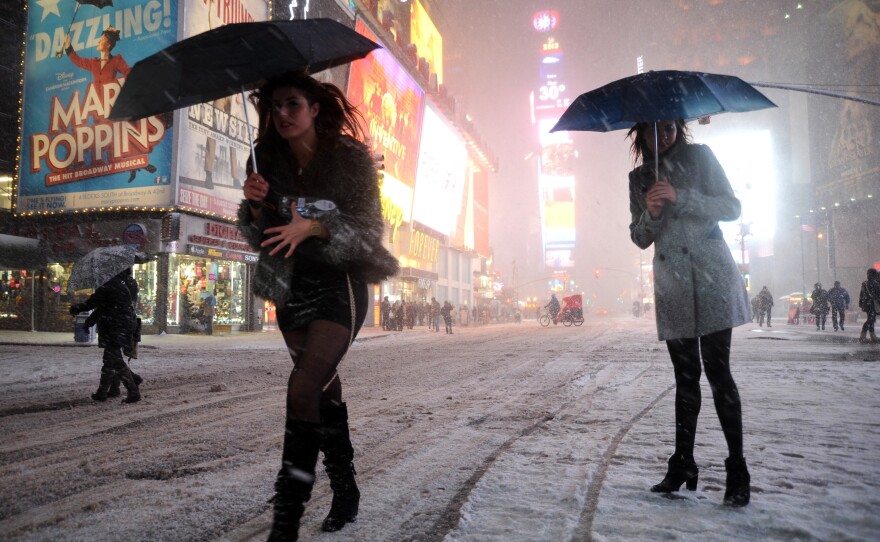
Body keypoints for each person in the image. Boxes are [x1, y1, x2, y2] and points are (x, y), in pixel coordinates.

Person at [237, 71, 399, 540]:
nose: (282, 115)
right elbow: (258, 235)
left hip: (338, 282)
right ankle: (345, 488)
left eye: (292, 104)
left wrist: (314, 227)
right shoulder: (264, 159)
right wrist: (253, 207)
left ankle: (286, 518)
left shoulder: (349, 159)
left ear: (315, 108)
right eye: (274, 108)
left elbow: (368, 230)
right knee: (324, 391)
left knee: (303, 388)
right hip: (290, 287)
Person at [627, 119, 751, 506]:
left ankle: (737, 469)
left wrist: (683, 196)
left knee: (719, 374)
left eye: (669, 127)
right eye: (653, 130)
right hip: (674, 285)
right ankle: (683, 463)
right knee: (685, 379)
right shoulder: (639, 177)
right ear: (641, 135)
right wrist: (651, 211)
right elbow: (639, 237)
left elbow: (731, 207)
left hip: (712, 278)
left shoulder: (701, 158)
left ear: (679, 127)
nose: (663, 135)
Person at [69, 268, 141, 404]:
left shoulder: (109, 286)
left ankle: (133, 389)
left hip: (114, 326)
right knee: (109, 360)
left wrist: (76, 308)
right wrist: (89, 322)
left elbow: (93, 303)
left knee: (114, 359)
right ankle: (105, 391)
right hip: (122, 325)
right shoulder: (124, 284)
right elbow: (103, 307)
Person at [858, 268, 880, 343]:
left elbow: (861, 294)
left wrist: (860, 303)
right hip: (872, 304)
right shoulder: (876, 283)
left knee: (871, 319)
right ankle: (863, 336)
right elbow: (878, 295)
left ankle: (871, 336)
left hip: (866, 304)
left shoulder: (864, 283)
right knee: (871, 320)